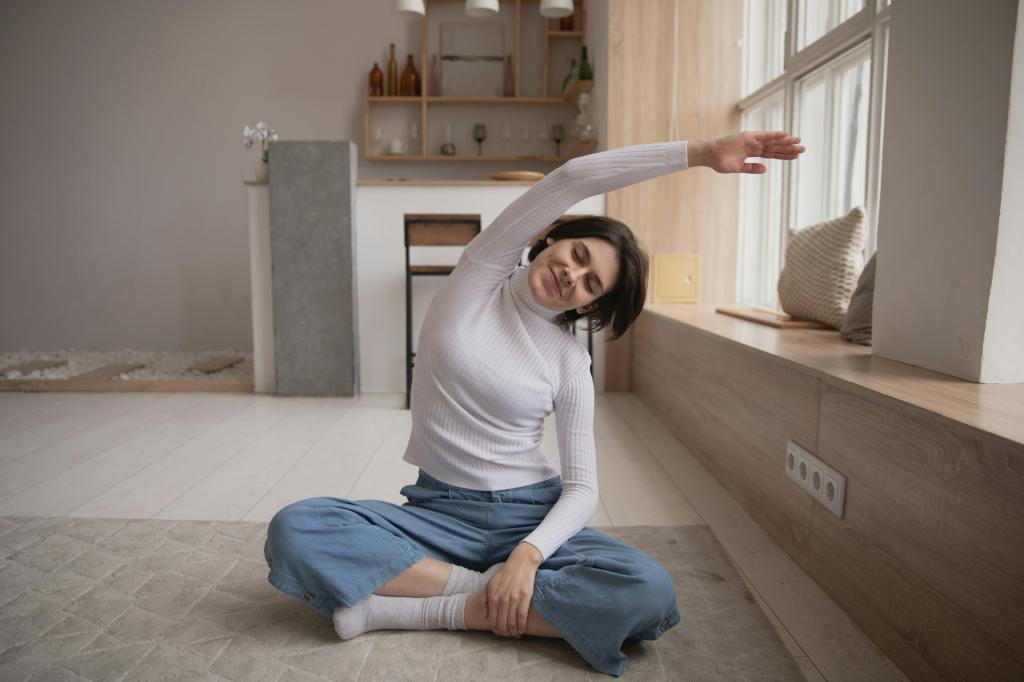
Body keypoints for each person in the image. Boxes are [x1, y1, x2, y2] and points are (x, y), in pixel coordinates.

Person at [264, 131, 805, 677]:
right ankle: (487, 597)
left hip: (529, 515)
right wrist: (699, 153)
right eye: (576, 254)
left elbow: (583, 487)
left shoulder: (570, 363)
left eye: (590, 282)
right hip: (437, 515)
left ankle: (424, 606)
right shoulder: (476, 279)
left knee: (649, 594)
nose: (571, 274)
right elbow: (573, 178)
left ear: (591, 304)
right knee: (297, 529)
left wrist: (529, 555)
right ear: (550, 237)